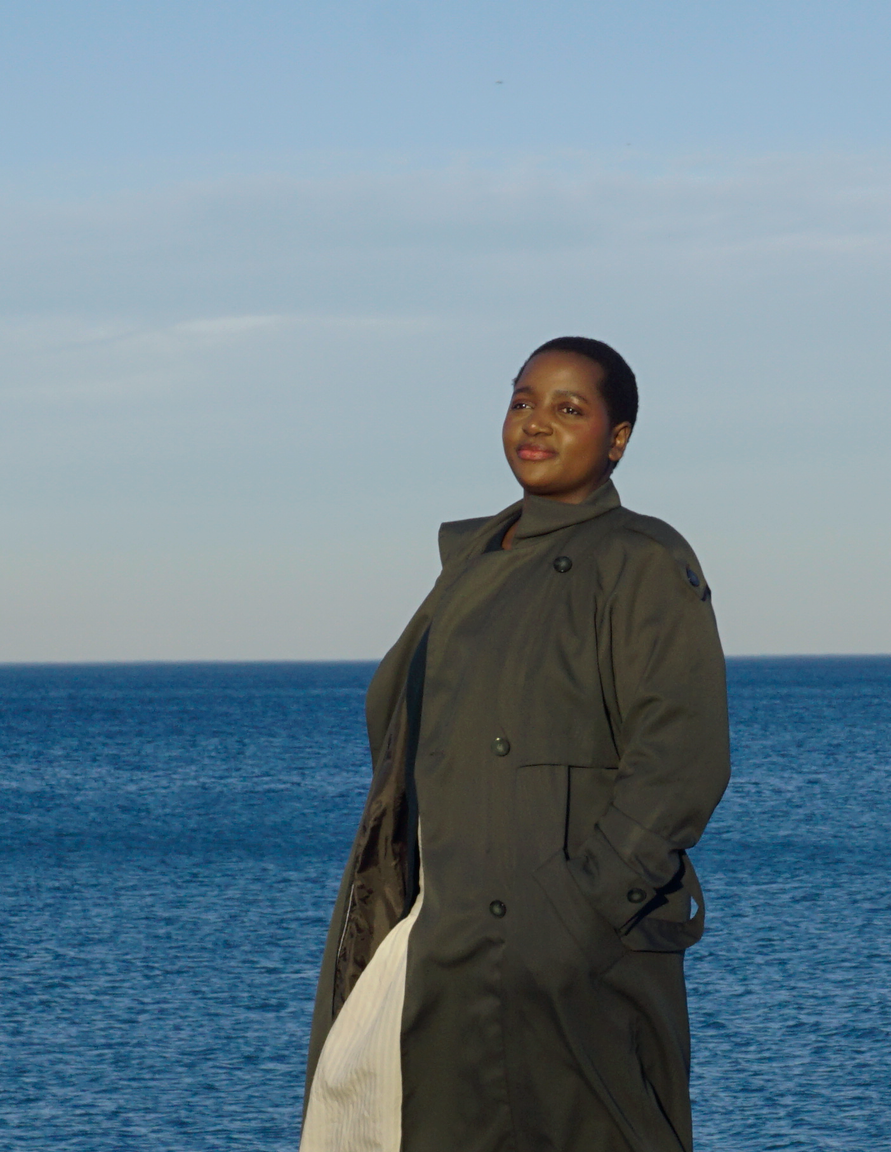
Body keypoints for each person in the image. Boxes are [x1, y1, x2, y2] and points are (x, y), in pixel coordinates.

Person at [300, 337, 731, 1152]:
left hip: (566, 959)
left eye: (570, 408)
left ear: (617, 439)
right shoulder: (470, 561)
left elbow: (682, 760)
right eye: (523, 400)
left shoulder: (640, 560)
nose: (536, 423)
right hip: (441, 937)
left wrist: (573, 918)